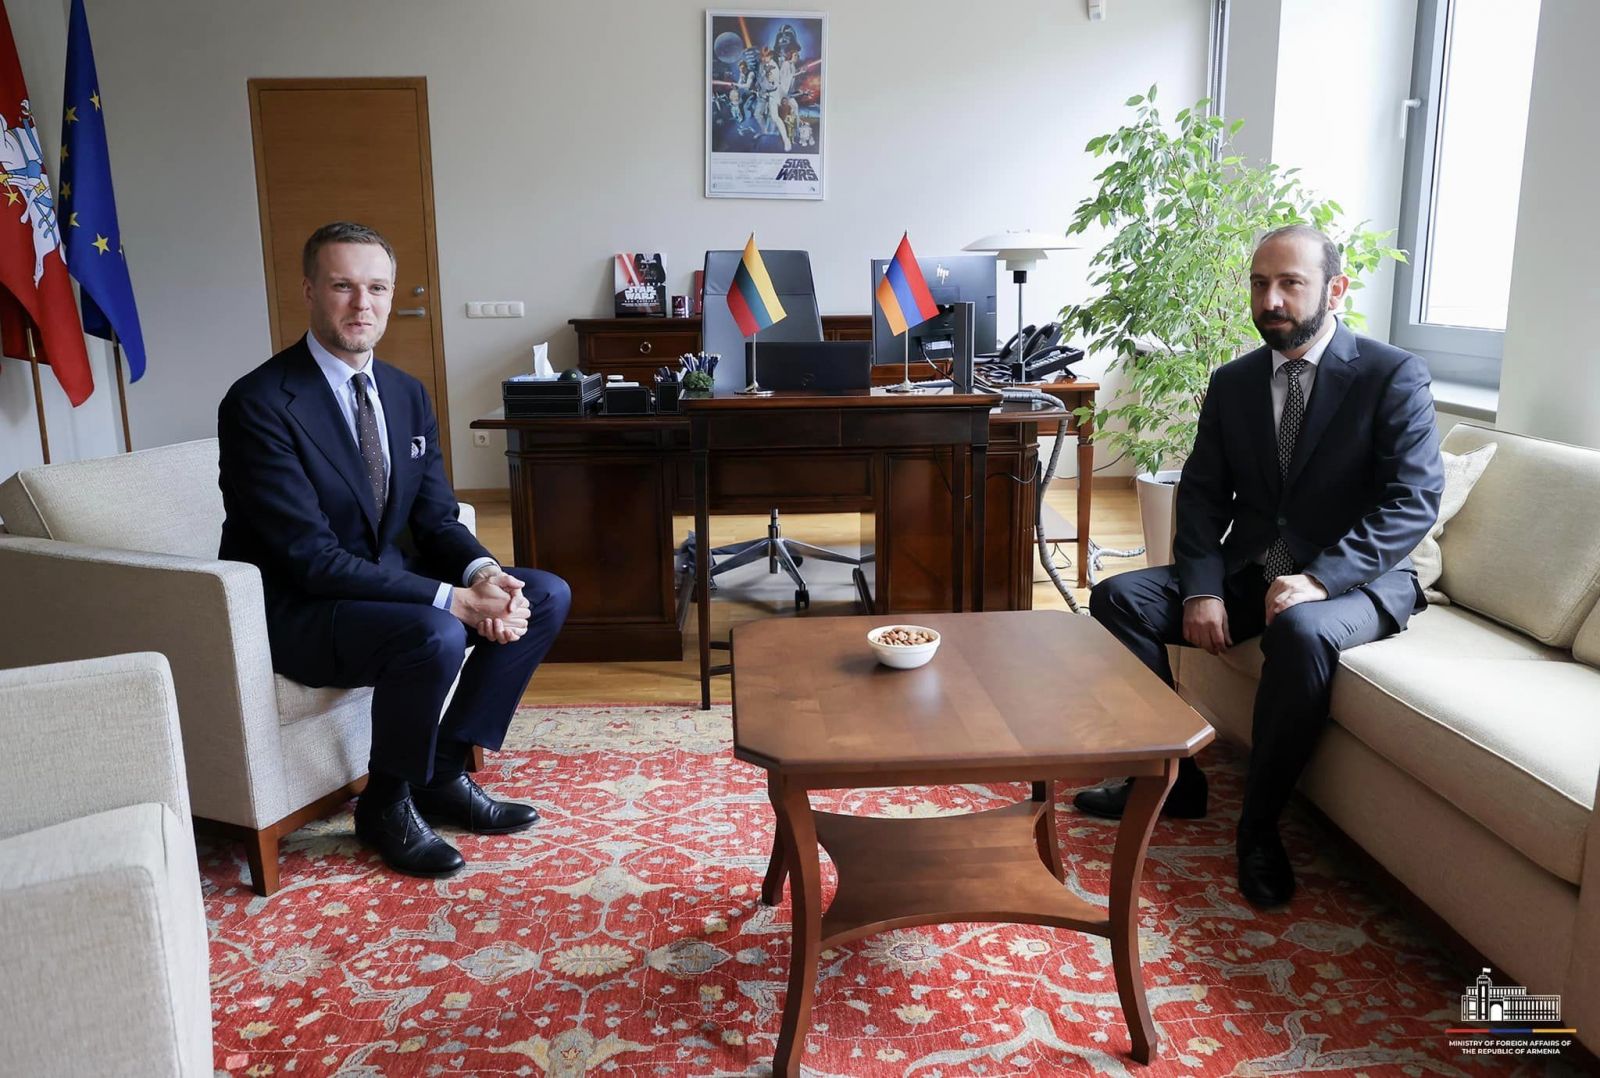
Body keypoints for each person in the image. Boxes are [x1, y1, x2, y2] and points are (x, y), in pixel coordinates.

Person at [1075, 224, 1443, 908]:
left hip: (1358, 579)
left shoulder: (1391, 375)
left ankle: (1259, 828)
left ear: (1335, 289)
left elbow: (1412, 500)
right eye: (1259, 283)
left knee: (1299, 630)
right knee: (1118, 598)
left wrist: (1322, 579)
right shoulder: (1235, 381)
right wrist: (1202, 588)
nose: (1270, 300)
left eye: (1290, 283)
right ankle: (1175, 780)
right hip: (1256, 568)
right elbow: (1203, 493)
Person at [217, 221, 571, 880]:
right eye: (343, 286)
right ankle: (385, 803)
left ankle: (441, 773)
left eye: (377, 288)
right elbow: (311, 559)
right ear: (309, 291)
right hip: (303, 609)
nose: (363, 305)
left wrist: (485, 575)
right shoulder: (260, 403)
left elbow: (434, 518)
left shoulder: (405, 393)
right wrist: (453, 601)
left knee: (544, 593)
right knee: (435, 631)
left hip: (380, 589)